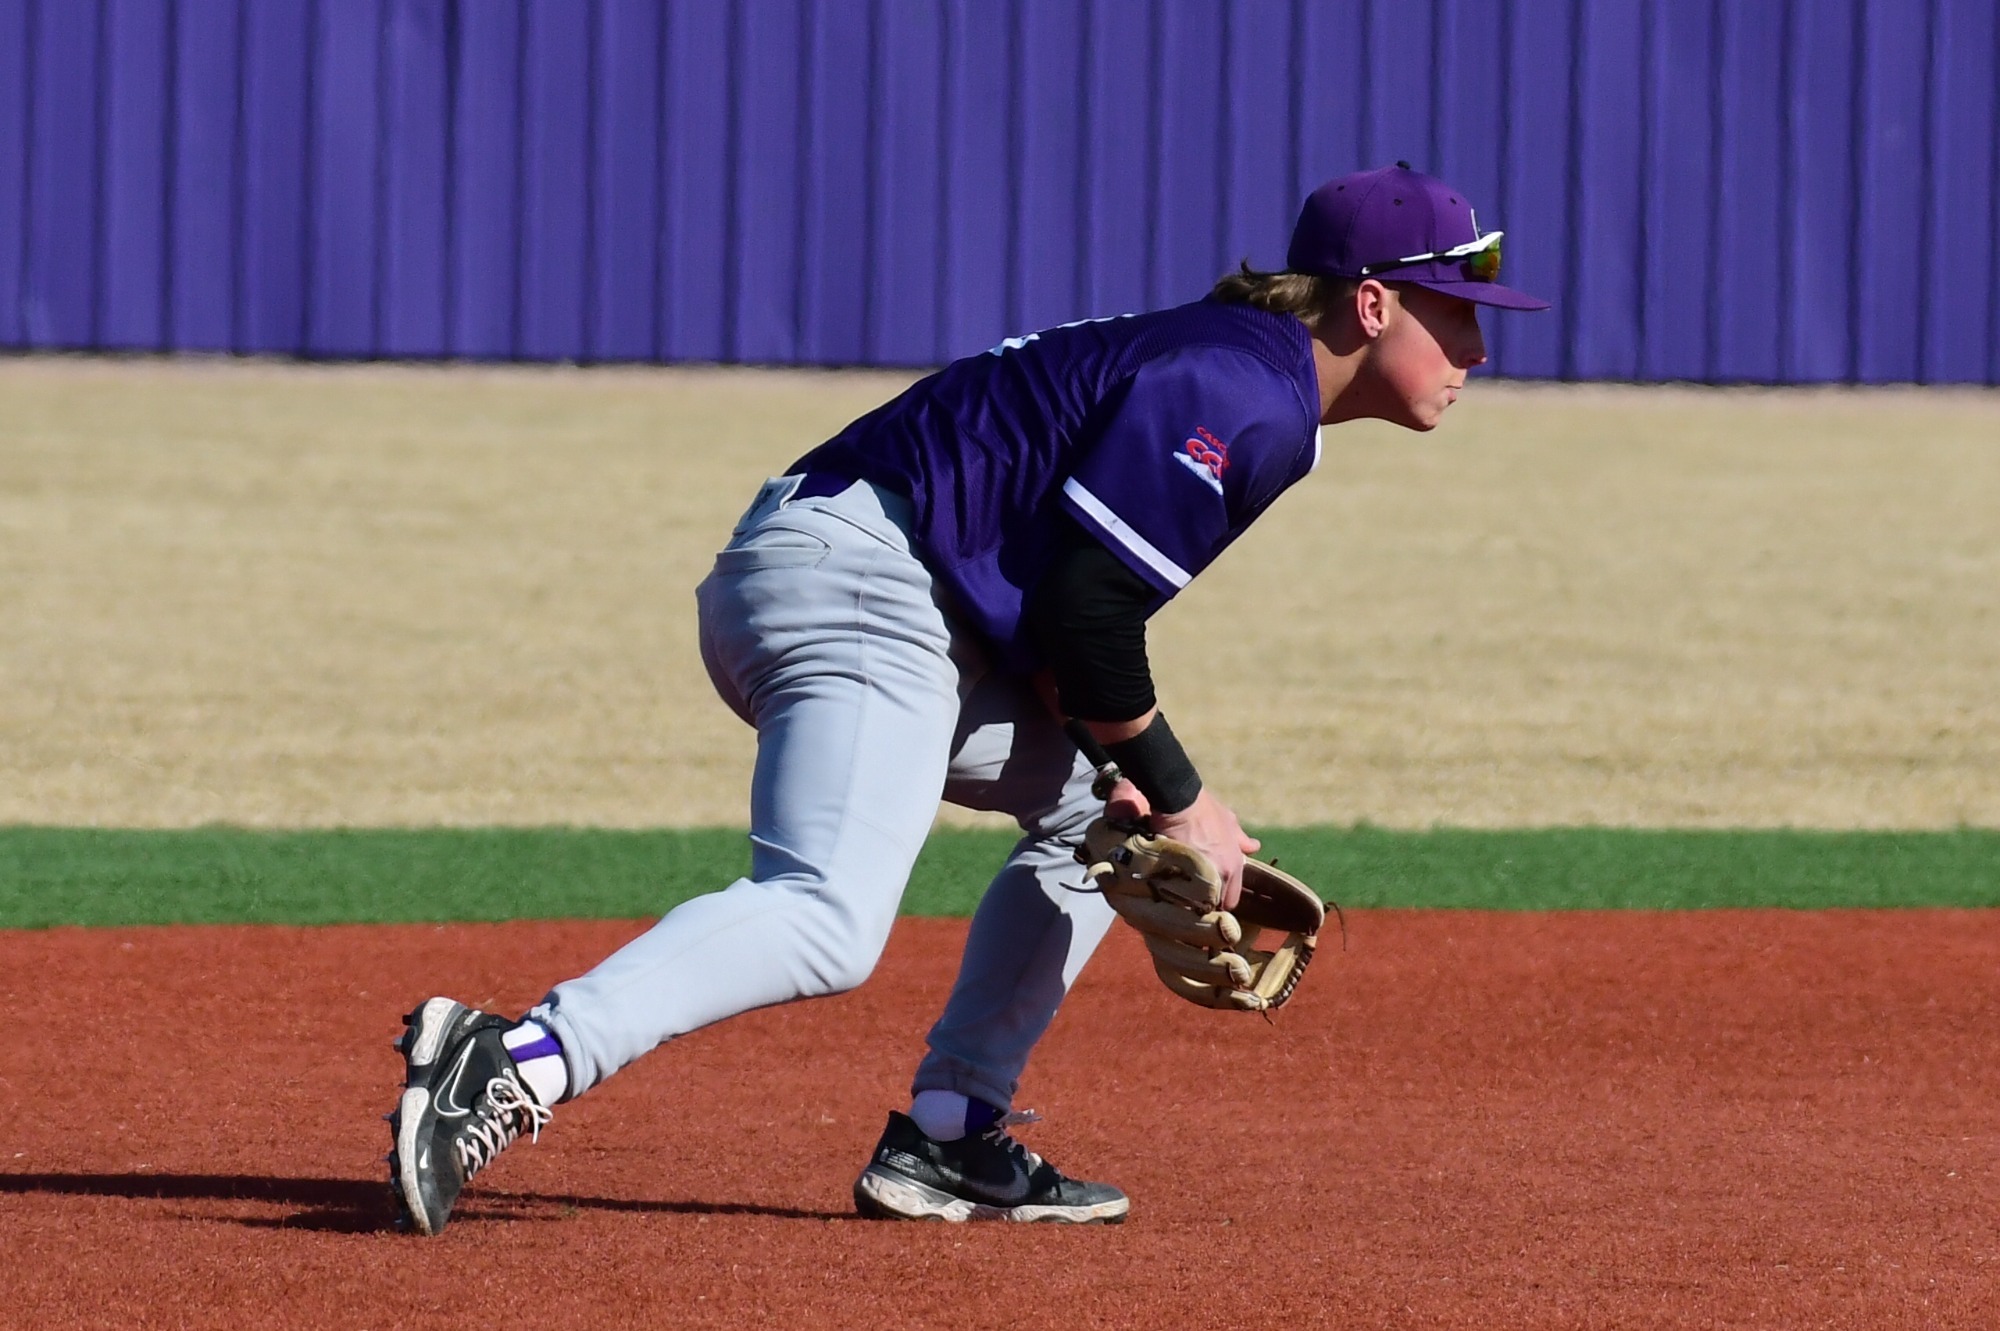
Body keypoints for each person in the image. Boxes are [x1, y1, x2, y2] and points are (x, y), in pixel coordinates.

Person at [385, 162, 1549, 1234]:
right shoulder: (1246, 392)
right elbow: (1088, 618)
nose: (1476, 350)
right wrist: (1192, 794)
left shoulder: (1242, 370)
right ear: (1370, 304)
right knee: (826, 915)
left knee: (1106, 826)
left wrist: (1151, 791)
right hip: (858, 580)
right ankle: (514, 1056)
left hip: (873, 580)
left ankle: (949, 1135)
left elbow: (1059, 620)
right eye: (1457, 313)